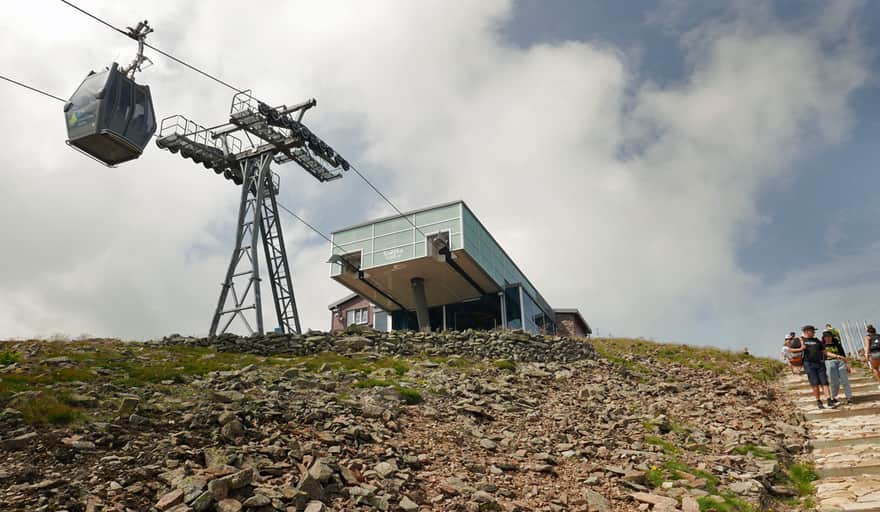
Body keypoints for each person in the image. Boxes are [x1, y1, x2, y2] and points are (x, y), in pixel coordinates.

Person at [789, 325, 836, 409]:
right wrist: (800, 348)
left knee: (824, 382)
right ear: (807, 331)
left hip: (820, 363)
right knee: (815, 384)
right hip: (809, 364)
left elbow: (824, 352)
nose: (814, 332)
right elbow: (791, 349)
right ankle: (819, 401)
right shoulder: (799, 339)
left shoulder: (817, 340)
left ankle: (829, 400)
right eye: (813, 331)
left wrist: (837, 356)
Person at [822, 330, 853, 405]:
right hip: (829, 363)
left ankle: (849, 398)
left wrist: (847, 366)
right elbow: (823, 356)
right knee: (834, 381)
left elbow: (843, 355)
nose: (828, 338)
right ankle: (833, 397)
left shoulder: (837, 345)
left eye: (830, 337)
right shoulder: (822, 346)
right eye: (826, 337)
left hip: (841, 362)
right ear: (824, 338)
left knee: (845, 380)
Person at [864, 325, 880, 390]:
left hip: (874, 354)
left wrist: (866, 356)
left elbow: (867, 347)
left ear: (868, 331)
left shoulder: (868, 337)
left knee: (875, 369)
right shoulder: (879, 336)